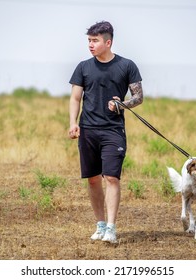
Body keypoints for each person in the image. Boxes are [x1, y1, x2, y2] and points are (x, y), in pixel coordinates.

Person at [68, 21, 144, 244]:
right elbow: (75, 98)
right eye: (89, 41)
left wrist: (123, 105)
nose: (90, 45)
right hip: (88, 130)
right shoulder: (83, 67)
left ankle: (111, 227)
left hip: (113, 130)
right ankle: (100, 225)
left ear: (108, 42)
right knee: (92, 180)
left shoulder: (127, 65)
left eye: (95, 41)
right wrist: (73, 123)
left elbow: (139, 97)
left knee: (111, 177)